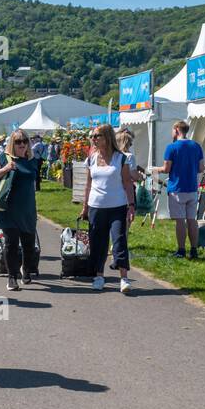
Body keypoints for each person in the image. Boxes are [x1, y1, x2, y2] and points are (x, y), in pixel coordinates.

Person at [80, 124, 136, 293]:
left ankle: (124, 278)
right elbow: (88, 184)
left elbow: (127, 183)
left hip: (117, 206)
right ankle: (98, 276)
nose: (94, 139)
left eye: (97, 136)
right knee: (98, 243)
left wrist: (131, 206)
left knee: (119, 241)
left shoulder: (121, 159)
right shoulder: (91, 159)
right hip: (96, 207)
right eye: (93, 136)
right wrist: (85, 207)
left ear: (107, 137)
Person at [0, 129, 39, 291]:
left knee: (29, 245)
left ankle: (26, 270)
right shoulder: (4, 159)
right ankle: (12, 277)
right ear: (12, 144)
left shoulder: (32, 160)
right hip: (8, 209)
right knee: (11, 244)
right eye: (18, 141)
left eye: (24, 141)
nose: (22, 144)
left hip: (28, 209)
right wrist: (6, 169)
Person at [160, 120, 203, 259]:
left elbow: (166, 169)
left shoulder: (171, 148)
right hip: (192, 188)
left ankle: (181, 250)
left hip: (177, 188)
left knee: (180, 221)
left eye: (173, 130)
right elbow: (201, 168)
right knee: (192, 220)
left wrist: (155, 169)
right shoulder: (196, 146)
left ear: (177, 129)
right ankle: (194, 250)